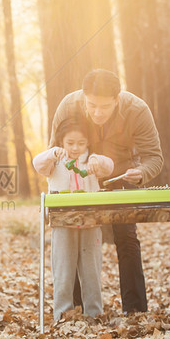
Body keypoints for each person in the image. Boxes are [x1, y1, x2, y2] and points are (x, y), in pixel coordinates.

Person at [49, 69, 163, 313]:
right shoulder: (68, 106)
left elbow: (154, 157)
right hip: (76, 180)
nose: (97, 113)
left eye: (105, 107)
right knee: (74, 238)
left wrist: (141, 172)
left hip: (120, 176)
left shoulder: (137, 110)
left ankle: (135, 310)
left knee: (126, 237)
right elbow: (54, 150)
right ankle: (76, 309)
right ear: (83, 98)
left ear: (117, 100)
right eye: (92, 106)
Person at [34, 116, 114, 320]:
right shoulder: (55, 160)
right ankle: (61, 314)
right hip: (63, 223)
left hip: (90, 222)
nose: (75, 148)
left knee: (91, 270)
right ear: (61, 142)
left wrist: (97, 160)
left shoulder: (93, 161)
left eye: (81, 143)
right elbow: (38, 164)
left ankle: (94, 313)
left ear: (88, 142)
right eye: (70, 143)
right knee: (63, 270)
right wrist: (53, 153)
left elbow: (109, 166)